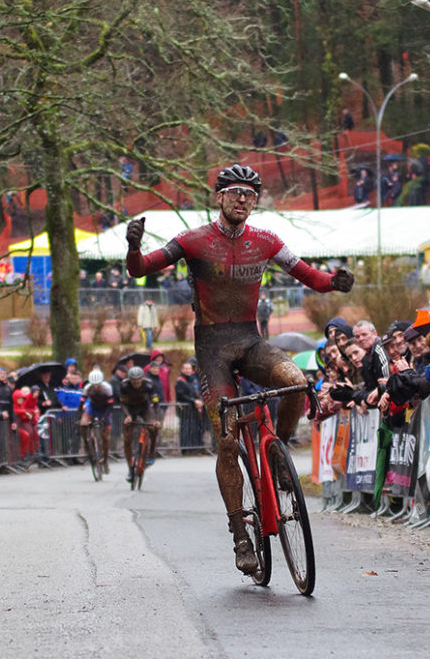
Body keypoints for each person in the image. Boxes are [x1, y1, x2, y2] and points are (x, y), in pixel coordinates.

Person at [125, 163, 354, 575]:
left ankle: (279, 453)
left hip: (250, 341)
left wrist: (333, 282)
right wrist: (133, 248)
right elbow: (140, 269)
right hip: (212, 350)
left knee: (296, 383)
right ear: (219, 197)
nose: (243, 199)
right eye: (235, 192)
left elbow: (307, 275)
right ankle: (240, 536)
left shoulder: (266, 240)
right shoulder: (193, 240)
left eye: (250, 194)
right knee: (228, 442)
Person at [118, 366, 162, 481]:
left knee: (153, 427)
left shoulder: (149, 384)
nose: (136, 383)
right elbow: (122, 403)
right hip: (130, 409)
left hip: (144, 409)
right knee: (127, 439)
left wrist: (157, 419)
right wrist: (127, 416)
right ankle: (130, 469)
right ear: (130, 379)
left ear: (142, 378)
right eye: (133, 381)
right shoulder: (124, 385)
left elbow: (156, 403)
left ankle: (152, 451)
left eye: (138, 381)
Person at [80, 369, 115, 473]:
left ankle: (105, 460)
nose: (95, 388)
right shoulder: (87, 388)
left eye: (97, 385)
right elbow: (81, 404)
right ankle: (88, 446)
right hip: (93, 408)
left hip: (105, 409)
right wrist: (79, 417)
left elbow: (111, 406)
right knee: (83, 423)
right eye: (93, 385)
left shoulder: (107, 388)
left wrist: (104, 418)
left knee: (105, 437)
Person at [175, 361, 207, 452]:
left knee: (193, 428)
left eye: (189, 369)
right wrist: (193, 401)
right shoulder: (180, 381)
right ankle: (185, 449)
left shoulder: (191, 380)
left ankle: (193, 448)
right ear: (182, 369)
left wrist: (199, 400)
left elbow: (196, 392)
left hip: (193, 408)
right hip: (184, 409)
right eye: (186, 368)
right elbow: (181, 395)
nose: (187, 370)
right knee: (185, 428)